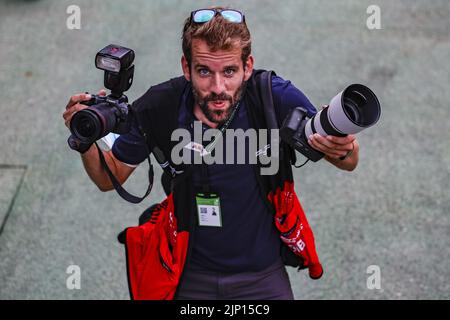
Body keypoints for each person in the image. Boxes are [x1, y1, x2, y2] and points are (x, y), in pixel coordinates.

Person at [63, 7, 359, 300]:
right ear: (186, 67)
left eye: (229, 71)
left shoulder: (274, 96)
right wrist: (84, 141)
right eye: (204, 71)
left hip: (262, 273)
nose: (218, 88)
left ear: (247, 66)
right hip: (188, 271)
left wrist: (345, 148)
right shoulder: (160, 105)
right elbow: (108, 177)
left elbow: (348, 161)